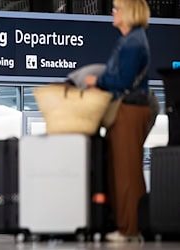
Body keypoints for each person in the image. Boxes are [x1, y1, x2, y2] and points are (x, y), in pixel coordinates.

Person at [84, 0, 151, 242]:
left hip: (129, 109)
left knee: (127, 171)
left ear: (129, 13)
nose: (112, 13)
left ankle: (130, 228)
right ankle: (126, 225)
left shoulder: (133, 42)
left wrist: (97, 82)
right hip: (124, 109)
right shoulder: (128, 40)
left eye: (116, 9)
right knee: (121, 169)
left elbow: (122, 80)